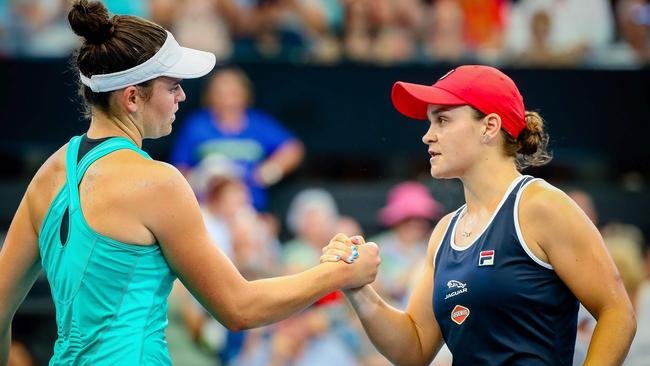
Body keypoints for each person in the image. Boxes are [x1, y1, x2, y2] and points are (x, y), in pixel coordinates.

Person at [0, 1, 379, 365]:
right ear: (132, 97)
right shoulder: (158, 183)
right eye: (172, 86)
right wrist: (341, 272)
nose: (182, 96)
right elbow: (239, 307)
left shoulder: (49, 173)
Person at [321, 65, 636, 365]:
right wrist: (357, 287)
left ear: (490, 126)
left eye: (442, 121)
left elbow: (617, 312)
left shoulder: (541, 206)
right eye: (430, 123)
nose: (427, 136)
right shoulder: (445, 231)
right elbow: (413, 349)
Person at [170, 66, 304, 211]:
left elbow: (293, 149)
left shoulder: (259, 123)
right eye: (220, 93)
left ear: (245, 94)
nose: (227, 100)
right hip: (207, 207)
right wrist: (200, 179)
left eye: (233, 93)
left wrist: (269, 172)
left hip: (249, 207)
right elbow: (180, 167)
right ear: (209, 96)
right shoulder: (197, 125)